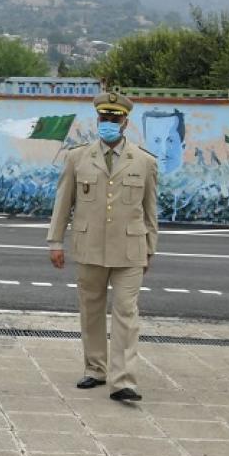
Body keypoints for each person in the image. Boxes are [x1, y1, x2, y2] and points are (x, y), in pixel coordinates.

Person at [48, 90, 159, 403]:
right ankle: (95, 368)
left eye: (114, 118)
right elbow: (63, 202)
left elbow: (150, 211)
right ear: (97, 120)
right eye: (104, 117)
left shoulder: (145, 161)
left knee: (126, 311)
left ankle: (123, 380)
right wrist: (55, 241)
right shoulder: (77, 157)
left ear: (125, 123)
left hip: (130, 249)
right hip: (89, 246)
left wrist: (150, 248)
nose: (108, 122)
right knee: (91, 309)